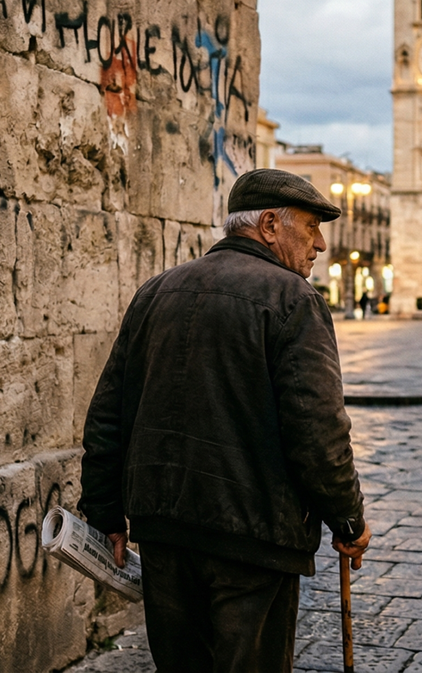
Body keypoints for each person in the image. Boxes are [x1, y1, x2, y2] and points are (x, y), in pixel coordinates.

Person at [80, 169, 370, 672]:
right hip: (254, 541)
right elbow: (319, 431)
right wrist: (348, 518)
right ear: (270, 225)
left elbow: (108, 414)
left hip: (166, 532)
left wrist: (106, 512)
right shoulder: (294, 301)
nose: (320, 244)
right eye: (311, 227)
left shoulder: (156, 292)